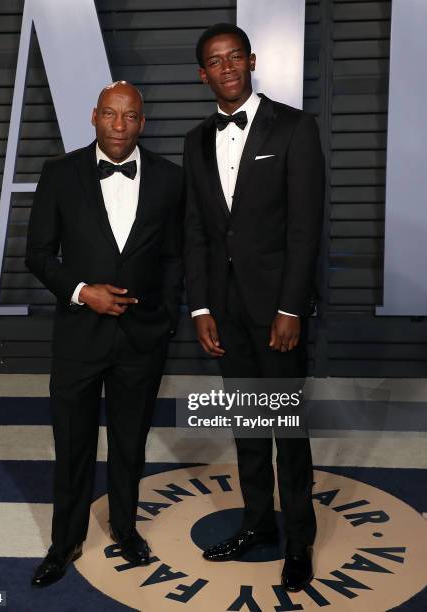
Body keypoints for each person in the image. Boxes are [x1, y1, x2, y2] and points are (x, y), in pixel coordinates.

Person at [184, 24, 324, 592]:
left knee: (286, 429)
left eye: (235, 57)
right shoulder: (196, 140)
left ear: (252, 60)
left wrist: (291, 307)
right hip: (225, 311)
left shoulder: (294, 127)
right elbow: (196, 230)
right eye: (215, 62)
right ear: (203, 75)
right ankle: (257, 526)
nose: (227, 68)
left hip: (276, 314)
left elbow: (304, 227)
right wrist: (200, 308)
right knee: (246, 425)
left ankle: (300, 538)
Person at [26, 81, 183, 587]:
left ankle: (125, 528)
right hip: (79, 334)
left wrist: (165, 316)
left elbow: (177, 256)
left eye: (130, 116)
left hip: (142, 336)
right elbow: (38, 254)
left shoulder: (169, 178)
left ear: (143, 121)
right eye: (111, 115)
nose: (120, 125)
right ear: (94, 116)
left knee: (129, 441)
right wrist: (80, 291)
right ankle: (64, 539)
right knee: (71, 442)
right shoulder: (59, 173)